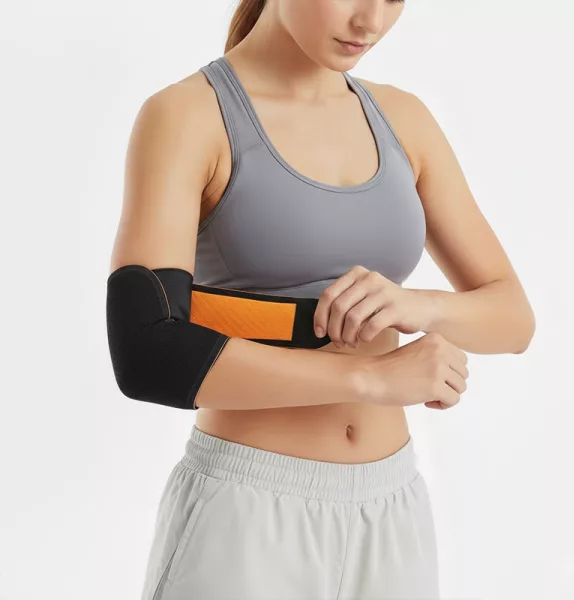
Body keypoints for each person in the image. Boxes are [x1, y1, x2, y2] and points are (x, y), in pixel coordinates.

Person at [106, 0, 536, 598]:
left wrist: (418, 306)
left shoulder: (403, 119)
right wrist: (369, 379)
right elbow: (146, 350)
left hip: (392, 508)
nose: (371, 22)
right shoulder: (188, 116)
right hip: (248, 514)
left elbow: (513, 318)